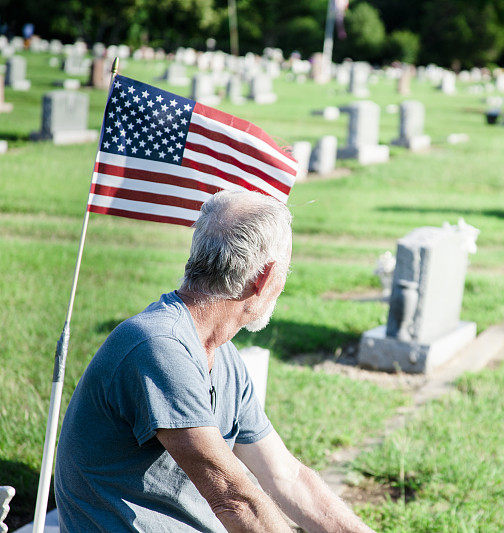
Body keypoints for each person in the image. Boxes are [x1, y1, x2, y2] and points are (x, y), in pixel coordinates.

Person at [55, 190, 374, 532]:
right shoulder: (159, 348)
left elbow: (288, 477)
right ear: (264, 277)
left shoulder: (222, 355)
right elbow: (235, 500)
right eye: (287, 270)